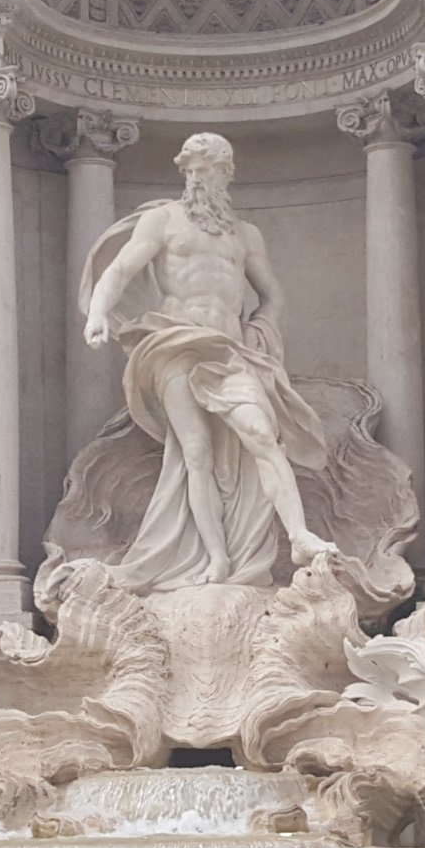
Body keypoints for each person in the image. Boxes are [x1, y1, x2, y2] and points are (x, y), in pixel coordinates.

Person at [79, 132, 336, 591]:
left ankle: (299, 536)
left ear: (225, 173)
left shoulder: (245, 235)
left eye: (206, 169)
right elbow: (119, 270)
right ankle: (217, 558)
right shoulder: (162, 220)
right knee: (195, 453)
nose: (196, 178)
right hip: (174, 343)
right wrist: (98, 312)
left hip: (229, 350)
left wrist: (261, 327)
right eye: (190, 170)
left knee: (262, 432)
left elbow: (272, 294)